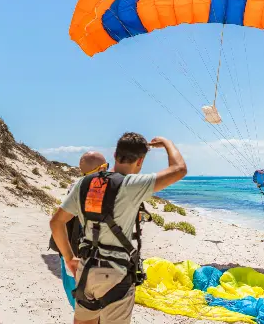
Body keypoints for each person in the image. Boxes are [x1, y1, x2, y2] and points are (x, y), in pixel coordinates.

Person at [50, 133, 187, 324]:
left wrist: (69, 258)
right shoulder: (132, 185)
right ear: (140, 161)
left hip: (86, 270)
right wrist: (167, 143)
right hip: (116, 274)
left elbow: (56, 223)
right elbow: (179, 169)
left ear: (115, 154)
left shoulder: (84, 183)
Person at [51, 151, 109, 309]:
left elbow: (58, 222)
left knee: (76, 298)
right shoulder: (97, 189)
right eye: (107, 167)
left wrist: (68, 256)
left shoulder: (75, 186)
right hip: (87, 253)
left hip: (70, 249)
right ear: (102, 167)